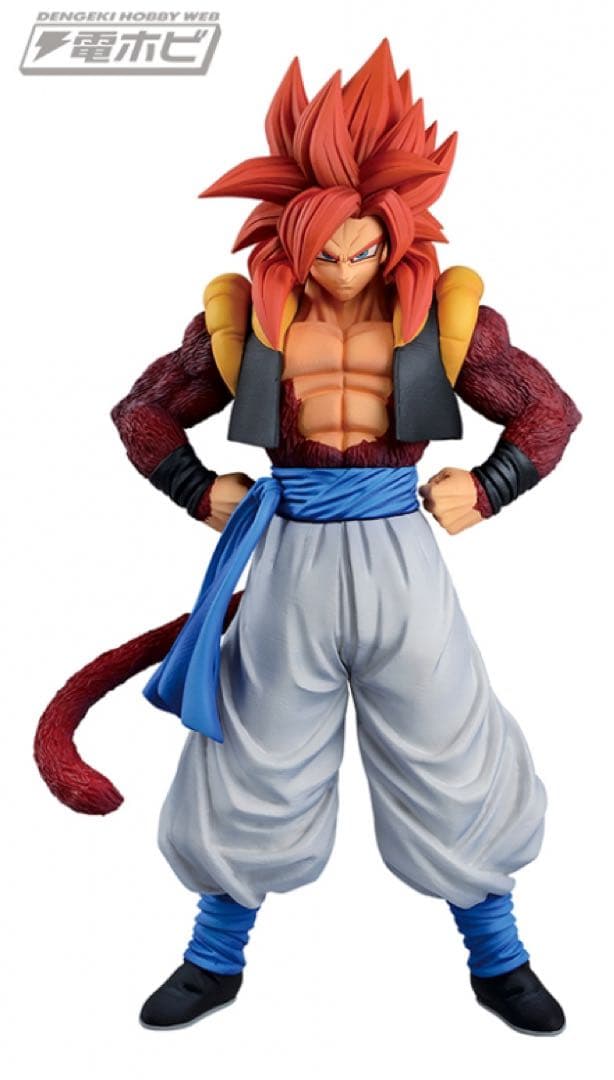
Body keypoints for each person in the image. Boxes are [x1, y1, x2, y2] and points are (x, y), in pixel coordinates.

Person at [36, 40, 581, 1036]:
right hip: (288, 552)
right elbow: (141, 414)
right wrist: (196, 487)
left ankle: (497, 953)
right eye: (323, 254)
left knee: (449, 744)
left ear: (395, 237)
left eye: (361, 251)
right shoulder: (250, 321)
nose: (341, 271)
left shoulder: (442, 319)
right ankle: (215, 954)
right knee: (255, 747)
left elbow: (549, 413)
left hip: (400, 553)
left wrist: (490, 484)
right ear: (290, 241)